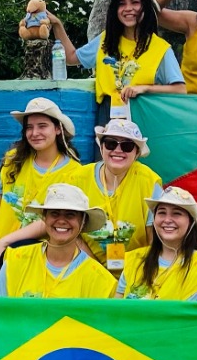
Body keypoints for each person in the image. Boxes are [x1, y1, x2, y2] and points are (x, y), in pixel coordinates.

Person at [0, 96, 81, 295]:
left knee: (12, 260)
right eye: (29, 127)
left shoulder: (74, 172)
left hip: (32, 246)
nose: (34, 133)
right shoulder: (13, 159)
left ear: (58, 129)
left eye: (42, 126)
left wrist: (6, 241)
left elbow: (48, 222)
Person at [47, 0, 184, 125]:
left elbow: (180, 89)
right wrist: (57, 24)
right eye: (121, 4)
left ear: (146, 7)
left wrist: (144, 89)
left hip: (143, 115)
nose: (128, 8)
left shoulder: (160, 48)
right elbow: (71, 58)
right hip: (107, 116)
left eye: (135, 2)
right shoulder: (106, 39)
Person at [68, 117, 163, 274]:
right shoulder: (77, 179)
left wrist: (135, 277)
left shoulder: (149, 182)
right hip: (88, 268)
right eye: (111, 143)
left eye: (127, 146)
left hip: (138, 271)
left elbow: (155, 241)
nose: (118, 150)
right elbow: (71, 233)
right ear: (101, 148)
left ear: (137, 153)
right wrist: (99, 273)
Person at [0, 183, 120, 298]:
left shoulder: (101, 280)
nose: (61, 220)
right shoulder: (15, 261)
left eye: (70, 215)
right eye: (54, 213)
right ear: (44, 218)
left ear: (83, 222)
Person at [120, 187, 197, 301]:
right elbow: (115, 308)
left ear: (191, 222)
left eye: (176, 213)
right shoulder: (134, 260)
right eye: (162, 213)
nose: (167, 220)